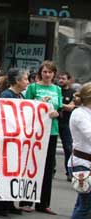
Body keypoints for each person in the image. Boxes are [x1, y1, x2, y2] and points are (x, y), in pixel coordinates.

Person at [20, 60, 61, 215]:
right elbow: (26, 107)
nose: (47, 74)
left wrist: (56, 114)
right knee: (31, 166)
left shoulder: (57, 89)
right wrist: (39, 104)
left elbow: (60, 109)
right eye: (44, 71)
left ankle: (44, 203)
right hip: (35, 133)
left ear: (54, 74)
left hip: (51, 132)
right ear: (40, 73)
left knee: (48, 169)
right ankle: (26, 200)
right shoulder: (33, 87)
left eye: (50, 72)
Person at [0, 68, 28, 217]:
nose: (27, 82)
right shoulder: (7, 95)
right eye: (25, 79)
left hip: (16, 141)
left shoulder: (20, 96)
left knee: (13, 172)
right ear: (17, 81)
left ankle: (10, 203)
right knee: (4, 172)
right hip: (6, 140)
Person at [68, 83, 91, 219]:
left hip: (85, 163)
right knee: (85, 206)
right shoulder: (79, 114)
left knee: (83, 204)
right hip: (82, 164)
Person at [57, 71, 76, 182]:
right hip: (55, 121)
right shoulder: (56, 90)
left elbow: (71, 107)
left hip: (66, 123)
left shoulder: (72, 92)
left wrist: (59, 104)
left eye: (63, 78)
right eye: (59, 78)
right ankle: (51, 170)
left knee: (68, 147)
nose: (61, 80)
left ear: (68, 80)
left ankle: (69, 172)